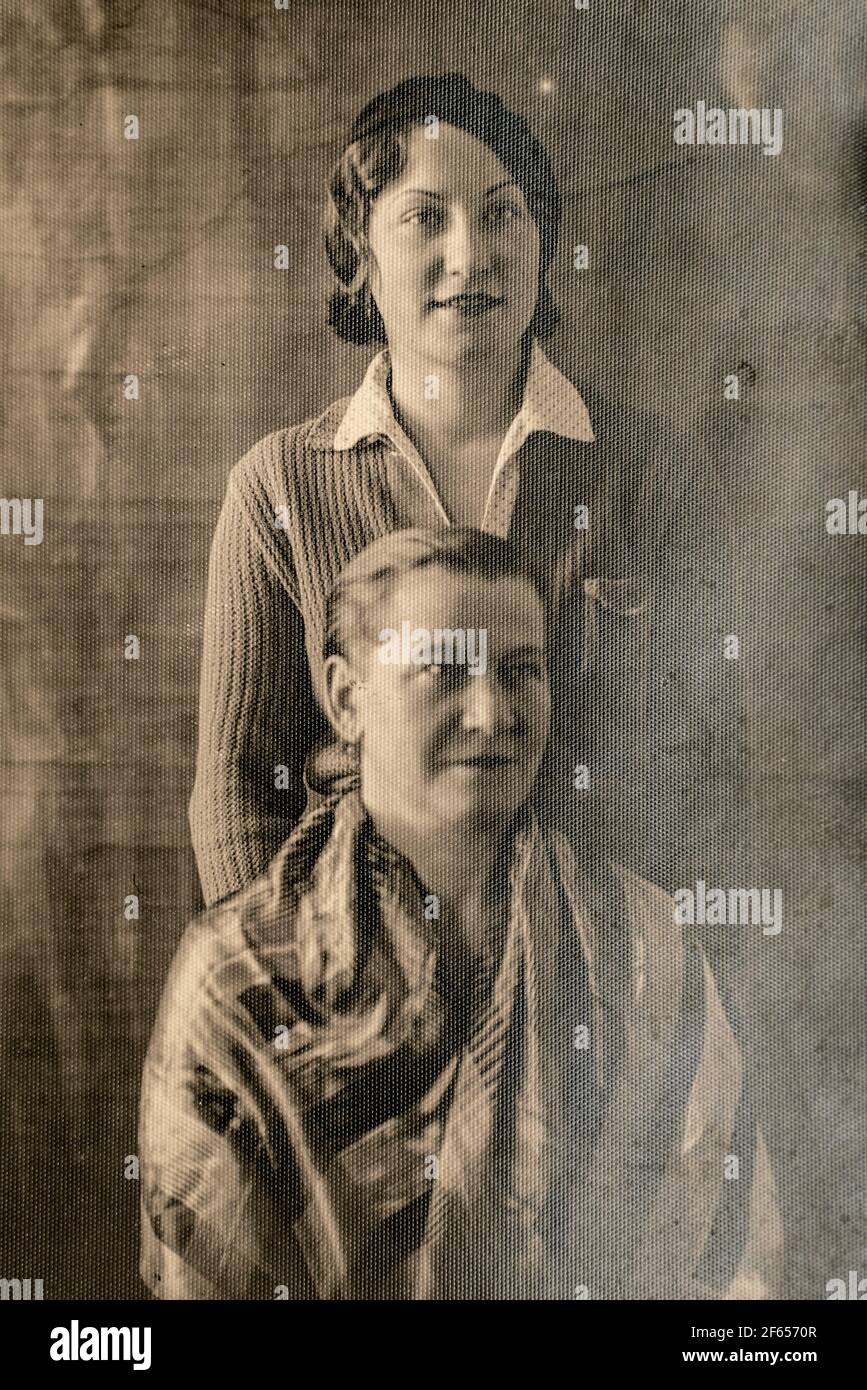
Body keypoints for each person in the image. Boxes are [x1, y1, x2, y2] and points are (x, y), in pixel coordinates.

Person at [140, 528, 778, 1300]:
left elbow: (732, 1269)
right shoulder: (237, 971)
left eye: (521, 672)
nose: (490, 712)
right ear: (347, 699)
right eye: (443, 670)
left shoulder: (644, 941)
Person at [188, 71, 746, 916]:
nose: (471, 255)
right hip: (356, 969)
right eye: (425, 217)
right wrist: (300, 993)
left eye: (501, 213)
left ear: (541, 242)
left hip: (600, 971)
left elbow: (716, 768)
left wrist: (652, 982)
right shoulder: (280, 484)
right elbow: (236, 793)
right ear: (361, 254)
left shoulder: (651, 469)